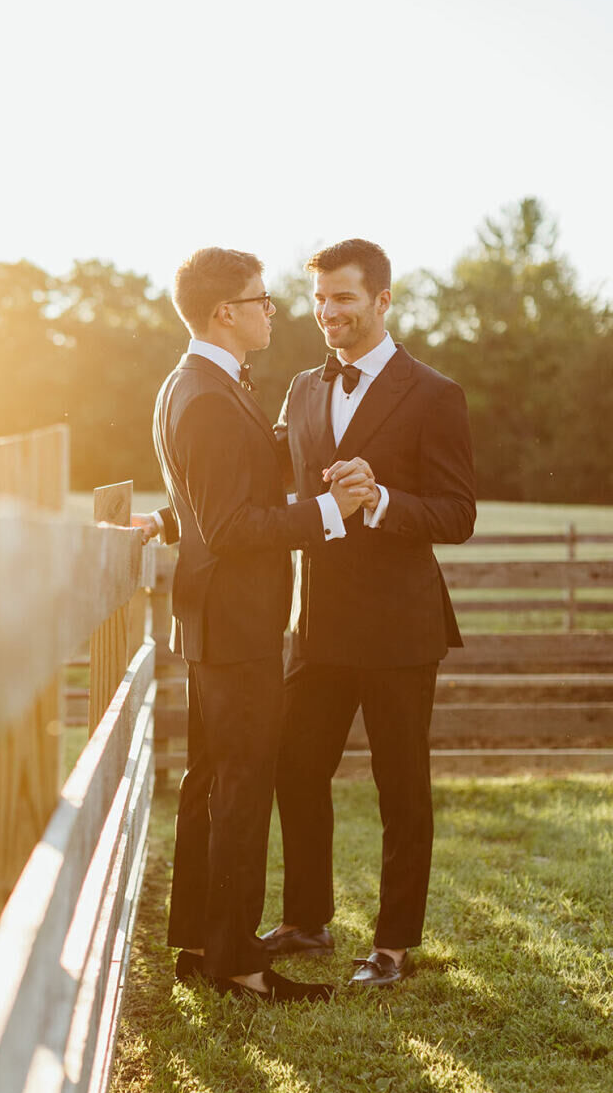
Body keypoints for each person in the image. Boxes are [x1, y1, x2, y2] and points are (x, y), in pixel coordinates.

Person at [146, 246, 370, 1003]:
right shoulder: (205, 395)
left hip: (219, 616)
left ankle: (204, 945)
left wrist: (170, 521)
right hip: (235, 621)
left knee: (212, 781)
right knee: (239, 787)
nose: (271, 310)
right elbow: (237, 523)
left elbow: (216, 495)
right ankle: (239, 964)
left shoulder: (203, 383)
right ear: (224, 314)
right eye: (261, 300)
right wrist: (330, 514)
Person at [259, 238, 476, 988]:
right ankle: (308, 921)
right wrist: (169, 517)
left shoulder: (435, 393)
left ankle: (392, 946)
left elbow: (456, 514)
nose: (328, 314)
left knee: (400, 786)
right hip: (315, 623)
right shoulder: (300, 389)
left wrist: (382, 500)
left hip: (398, 628)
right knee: (295, 765)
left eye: (344, 299)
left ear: (383, 301)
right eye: (319, 300)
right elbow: (258, 485)